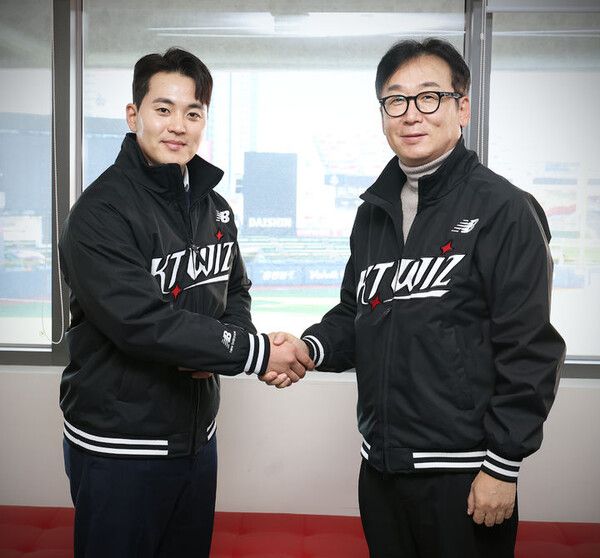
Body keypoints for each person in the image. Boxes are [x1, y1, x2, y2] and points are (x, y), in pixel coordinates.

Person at [271, 38, 565, 557]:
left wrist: (503, 466)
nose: (411, 114)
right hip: (381, 469)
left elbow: (530, 348)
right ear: (383, 113)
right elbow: (357, 311)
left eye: (429, 97)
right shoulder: (373, 211)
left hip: (466, 474)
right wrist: (309, 348)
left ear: (462, 107)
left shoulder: (504, 208)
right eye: (396, 100)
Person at [59, 47, 310, 558]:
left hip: (196, 438)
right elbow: (143, 324)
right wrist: (256, 353)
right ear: (134, 115)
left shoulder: (214, 206)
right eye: (163, 108)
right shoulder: (100, 213)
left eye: (193, 113)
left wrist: (224, 346)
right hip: (120, 446)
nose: (178, 125)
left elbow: (234, 289)